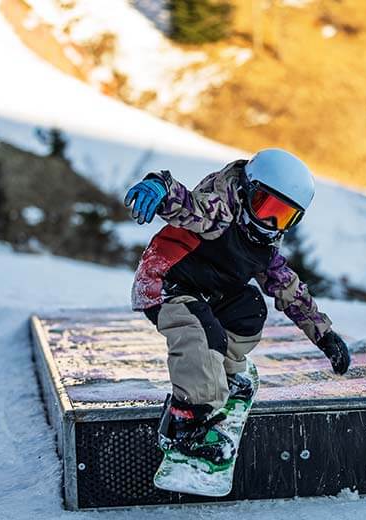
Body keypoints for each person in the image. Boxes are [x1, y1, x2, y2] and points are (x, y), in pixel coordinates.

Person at [124, 149, 350, 466]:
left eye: (283, 216)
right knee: (201, 333)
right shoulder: (220, 209)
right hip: (165, 283)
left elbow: (290, 290)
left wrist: (325, 336)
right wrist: (159, 186)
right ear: (246, 190)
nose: (269, 222)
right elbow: (186, 205)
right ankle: (185, 423)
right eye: (265, 206)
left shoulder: (263, 246)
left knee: (250, 308)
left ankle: (223, 374)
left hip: (206, 291)